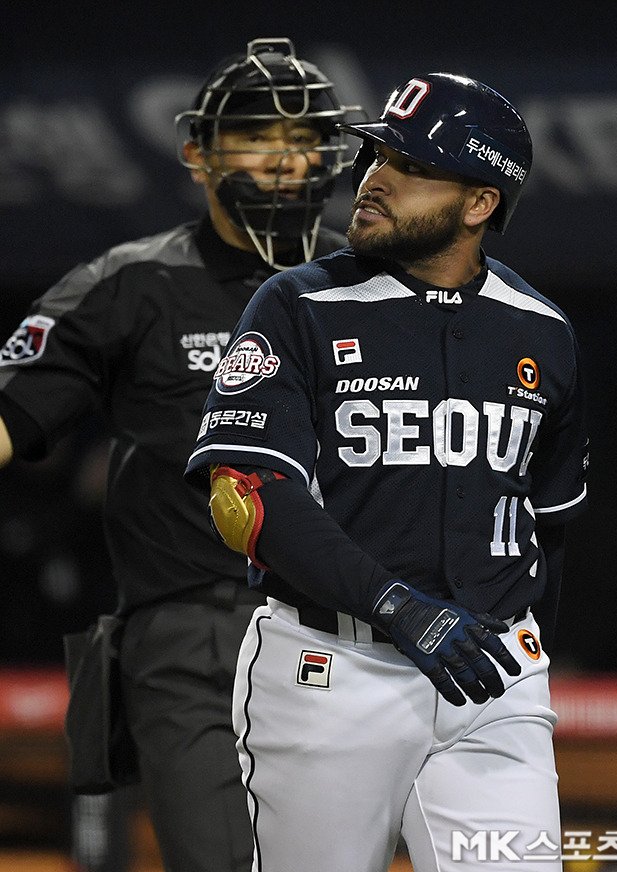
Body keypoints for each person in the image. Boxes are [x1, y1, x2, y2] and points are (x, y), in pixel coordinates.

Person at [184, 72, 590, 872]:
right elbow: (252, 499)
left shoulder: (545, 332)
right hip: (332, 673)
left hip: (493, 681)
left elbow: (554, 524)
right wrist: (399, 606)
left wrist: (516, 633)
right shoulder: (297, 303)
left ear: (479, 203)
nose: (374, 177)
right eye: (376, 153)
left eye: (409, 163)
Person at [0, 37, 353, 872]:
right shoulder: (128, 282)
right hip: (195, 637)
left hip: (363, 634)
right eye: (258, 135)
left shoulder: (383, 282)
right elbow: (12, 411)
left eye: (304, 137)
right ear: (198, 153)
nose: (284, 158)